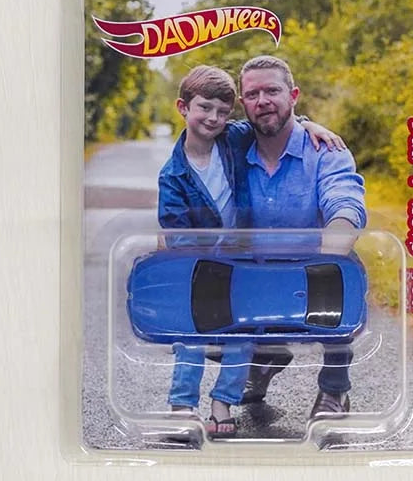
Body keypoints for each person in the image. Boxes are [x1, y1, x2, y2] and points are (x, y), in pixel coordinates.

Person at [157, 65, 344, 436]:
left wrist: (308, 124)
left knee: (240, 337)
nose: (213, 118)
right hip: (199, 267)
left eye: (222, 112)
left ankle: (222, 404)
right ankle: (182, 405)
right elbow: (175, 233)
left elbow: (276, 120)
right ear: (183, 107)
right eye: (204, 108)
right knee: (190, 338)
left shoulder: (232, 139)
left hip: (241, 266)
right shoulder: (173, 175)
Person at [237, 55, 367, 418]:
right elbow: (194, 142)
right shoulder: (231, 147)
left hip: (313, 271)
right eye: (253, 94)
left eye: (272, 91)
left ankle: (335, 389)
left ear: (293, 95)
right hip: (254, 272)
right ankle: (263, 359)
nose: (263, 101)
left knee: (343, 271)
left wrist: (334, 244)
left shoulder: (327, 150)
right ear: (243, 103)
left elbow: (345, 198)